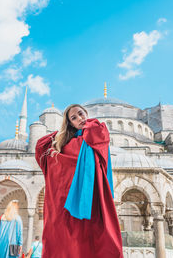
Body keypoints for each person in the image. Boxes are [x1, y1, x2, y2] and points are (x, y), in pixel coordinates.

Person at [35, 104, 124, 258]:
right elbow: (41, 146)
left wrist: (85, 126)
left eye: (81, 114)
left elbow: (98, 133)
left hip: (91, 198)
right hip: (64, 200)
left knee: (93, 240)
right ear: (70, 123)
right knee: (68, 242)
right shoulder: (65, 144)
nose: (80, 119)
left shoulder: (95, 133)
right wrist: (62, 132)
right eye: (73, 118)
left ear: (86, 113)